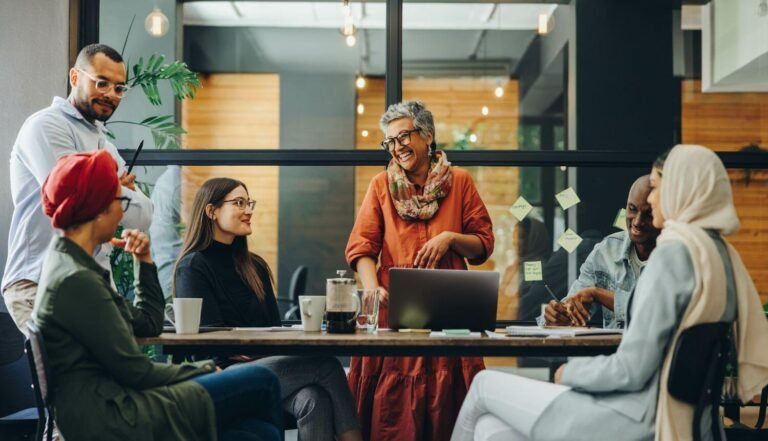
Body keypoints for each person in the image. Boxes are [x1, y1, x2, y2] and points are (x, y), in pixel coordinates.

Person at [450, 144, 768, 441]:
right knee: (490, 429)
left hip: (635, 415)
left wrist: (568, 372)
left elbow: (630, 369)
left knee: (481, 385)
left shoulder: (672, 255)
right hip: (689, 419)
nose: (653, 200)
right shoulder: (718, 256)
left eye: (657, 188)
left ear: (681, 190)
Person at [33, 151, 282, 441]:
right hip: (115, 415)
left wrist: (144, 261)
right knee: (262, 380)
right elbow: (136, 372)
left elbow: (149, 324)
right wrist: (205, 368)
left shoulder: (72, 266)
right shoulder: (78, 281)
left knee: (259, 433)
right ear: (98, 207)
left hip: (115, 403)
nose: (122, 213)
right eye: (121, 201)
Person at [345, 100, 495, 441]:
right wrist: (370, 289)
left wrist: (451, 238)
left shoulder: (460, 181)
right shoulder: (381, 186)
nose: (397, 148)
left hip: (450, 311)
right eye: (390, 142)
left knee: (449, 412)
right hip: (394, 312)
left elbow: (483, 245)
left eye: (403, 137)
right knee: (393, 418)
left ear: (427, 135)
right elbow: (361, 249)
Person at [174, 177, 362, 441]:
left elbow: (275, 329)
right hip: (223, 374)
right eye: (239, 203)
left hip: (264, 366)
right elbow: (210, 343)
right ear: (211, 211)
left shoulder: (255, 266)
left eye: (248, 202)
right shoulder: (193, 266)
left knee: (314, 398)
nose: (248, 210)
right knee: (327, 365)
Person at [3, 43, 152, 335]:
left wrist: (107, 188)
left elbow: (143, 216)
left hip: (91, 287)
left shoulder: (105, 145)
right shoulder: (45, 126)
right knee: (75, 379)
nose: (111, 94)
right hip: (40, 281)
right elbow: (73, 200)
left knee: (112, 376)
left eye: (119, 88)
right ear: (74, 77)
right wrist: (115, 187)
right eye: (101, 82)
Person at [542, 175, 660, 328]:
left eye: (648, 214)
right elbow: (573, 302)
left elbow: (654, 310)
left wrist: (598, 294)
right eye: (632, 209)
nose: (637, 221)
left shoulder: (673, 256)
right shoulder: (605, 251)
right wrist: (559, 314)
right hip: (609, 350)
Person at [498, 217, 551, 319]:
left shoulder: (539, 267)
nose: (515, 242)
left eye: (521, 237)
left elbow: (529, 301)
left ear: (535, 238)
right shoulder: (512, 268)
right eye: (514, 237)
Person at [149, 165, 182, 300]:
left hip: (167, 275)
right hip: (174, 279)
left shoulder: (168, 179)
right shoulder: (178, 182)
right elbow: (204, 223)